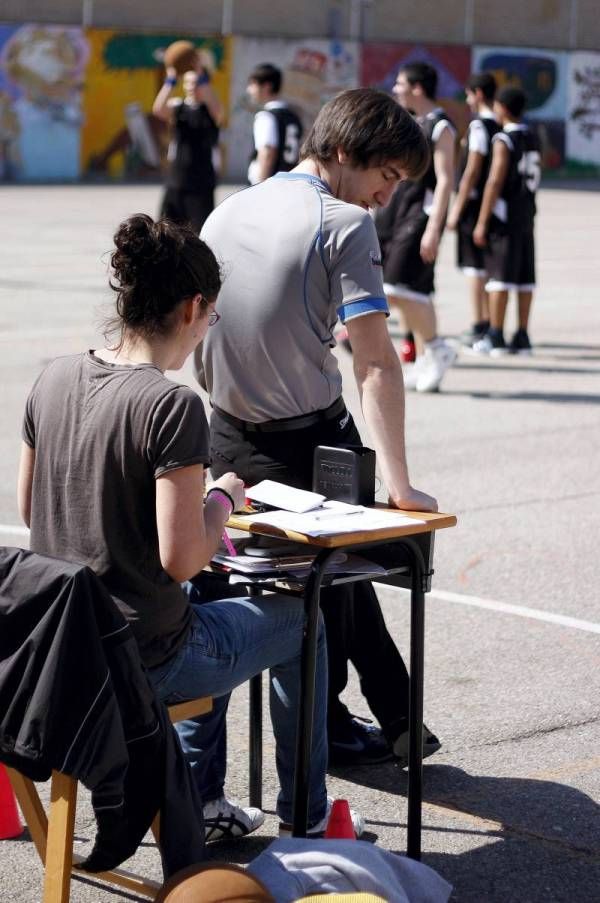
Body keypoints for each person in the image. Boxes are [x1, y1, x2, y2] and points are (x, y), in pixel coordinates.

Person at [17, 214, 359, 842]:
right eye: (212, 317)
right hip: (145, 656)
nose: (209, 329)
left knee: (210, 608)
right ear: (195, 307)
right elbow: (181, 559)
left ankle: (204, 801)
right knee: (302, 622)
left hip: (64, 658)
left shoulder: (52, 378)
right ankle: (307, 818)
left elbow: (32, 510)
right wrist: (222, 500)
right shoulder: (170, 405)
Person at [195, 88, 441, 771]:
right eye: (386, 177)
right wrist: (399, 485)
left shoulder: (228, 208)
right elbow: (375, 361)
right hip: (306, 441)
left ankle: (393, 710)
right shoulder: (343, 222)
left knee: (332, 578)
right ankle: (347, 722)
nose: (386, 198)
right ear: (343, 151)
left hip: (226, 437)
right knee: (341, 573)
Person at [374, 62, 457, 393]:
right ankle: (425, 356)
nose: (395, 89)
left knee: (398, 287)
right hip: (396, 214)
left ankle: (439, 348)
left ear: (418, 88)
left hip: (419, 217)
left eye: (401, 83)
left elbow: (447, 178)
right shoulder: (413, 123)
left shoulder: (441, 127)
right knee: (414, 291)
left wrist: (434, 228)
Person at [472, 85, 541, 355]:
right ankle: (522, 335)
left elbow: (495, 180)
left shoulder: (503, 140)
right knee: (525, 278)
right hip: (527, 215)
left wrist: (482, 221)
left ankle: (496, 335)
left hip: (504, 218)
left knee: (499, 279)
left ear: (501, 107)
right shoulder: (533, 137)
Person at [446, 72, 500, 349]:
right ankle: (490, 322)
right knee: (486, 267)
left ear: (478, 94)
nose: (467, 101)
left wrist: (457, 208)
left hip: (474, 204)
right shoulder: (500, 126)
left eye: (468, 95)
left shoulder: (479, 127)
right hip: (492, 207)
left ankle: (480, 323)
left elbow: (472, 171)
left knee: (474, 269)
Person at [153, 54, 223, 232]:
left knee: (200, 231)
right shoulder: (178, 107)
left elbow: (217, 110)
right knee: (167, 229)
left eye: (196, 82)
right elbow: (158, 109)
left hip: (202, 181)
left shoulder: (210, 109)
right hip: (177, 179)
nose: (192, 86)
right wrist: (170, 80)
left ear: (204, 82)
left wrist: (200, 73)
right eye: (188, 82)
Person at [246, 63, 303, 184]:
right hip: (290, 182)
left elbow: (267, 153)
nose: (249, 90)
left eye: (252, 84)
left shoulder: (266, 117)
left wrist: (260, 187)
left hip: (271, 184)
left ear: (267, 87)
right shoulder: (293, 116)